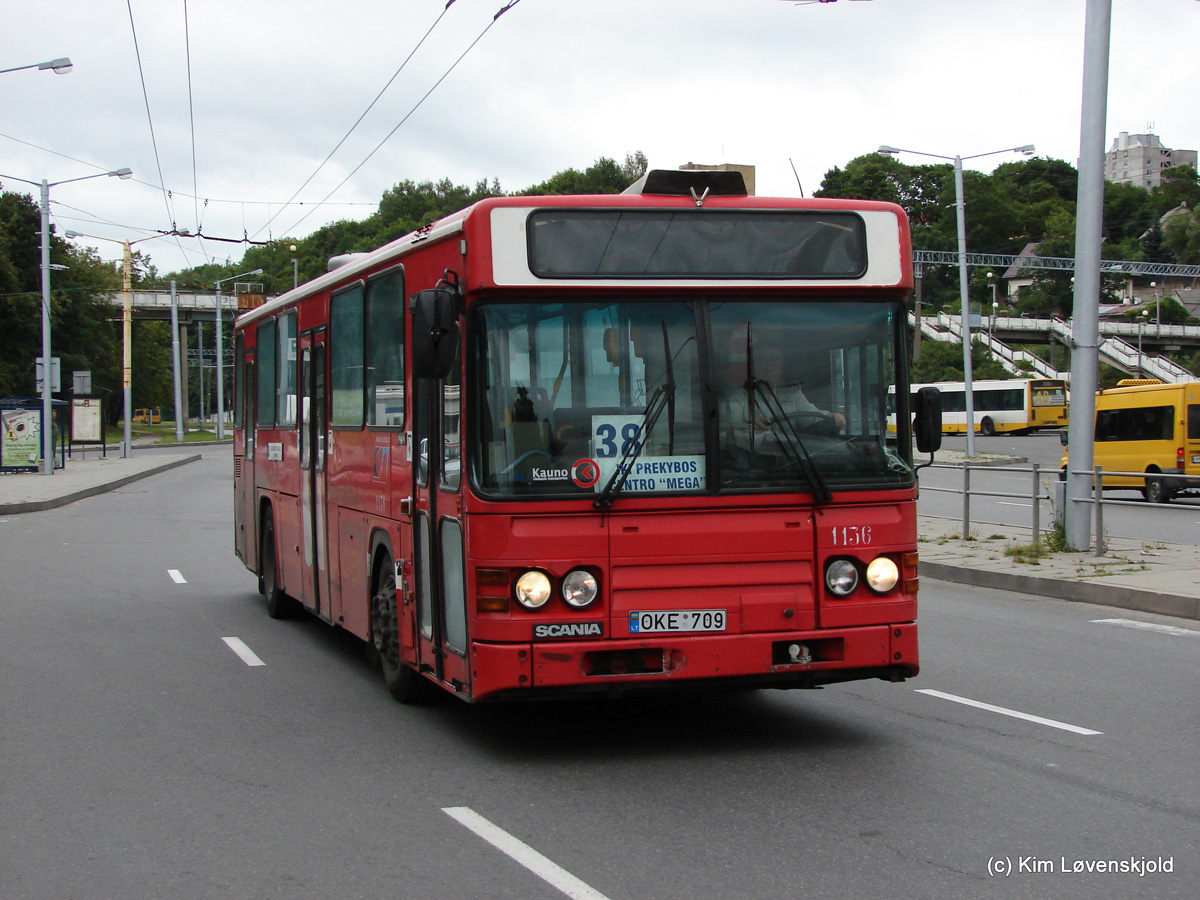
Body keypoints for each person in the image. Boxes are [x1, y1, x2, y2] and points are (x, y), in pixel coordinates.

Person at [721, 342, 845, 453]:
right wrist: (751, 427)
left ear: (781, 365)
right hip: (753, 464)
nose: (768, 366)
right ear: (752, 366)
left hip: (791, 463)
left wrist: (832, 418)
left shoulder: (791, 393)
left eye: (774, 361)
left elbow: (810, 416)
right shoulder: (736, 397)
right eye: (761, 360)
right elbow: (726, 433)